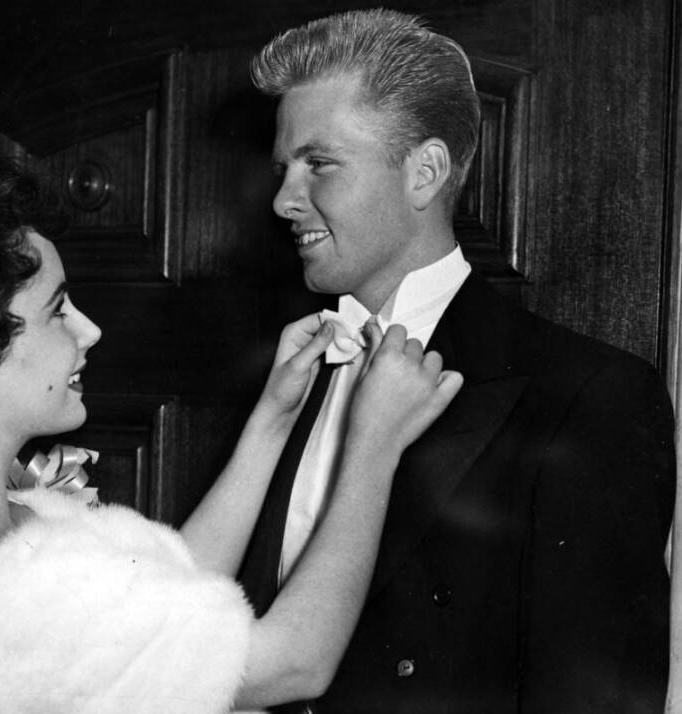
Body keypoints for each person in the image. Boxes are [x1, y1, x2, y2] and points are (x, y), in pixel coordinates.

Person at [0, 157, 461, 713]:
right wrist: (372, 443)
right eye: (59, 310)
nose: (89, 331)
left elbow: (170, 582)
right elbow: (291, 666)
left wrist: (273, 419)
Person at [236, 7, 676, 713]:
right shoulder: (292, 370)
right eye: (284, 167)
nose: (286, 200)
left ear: (425, 172)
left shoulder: (590, 394)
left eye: (319, 164)